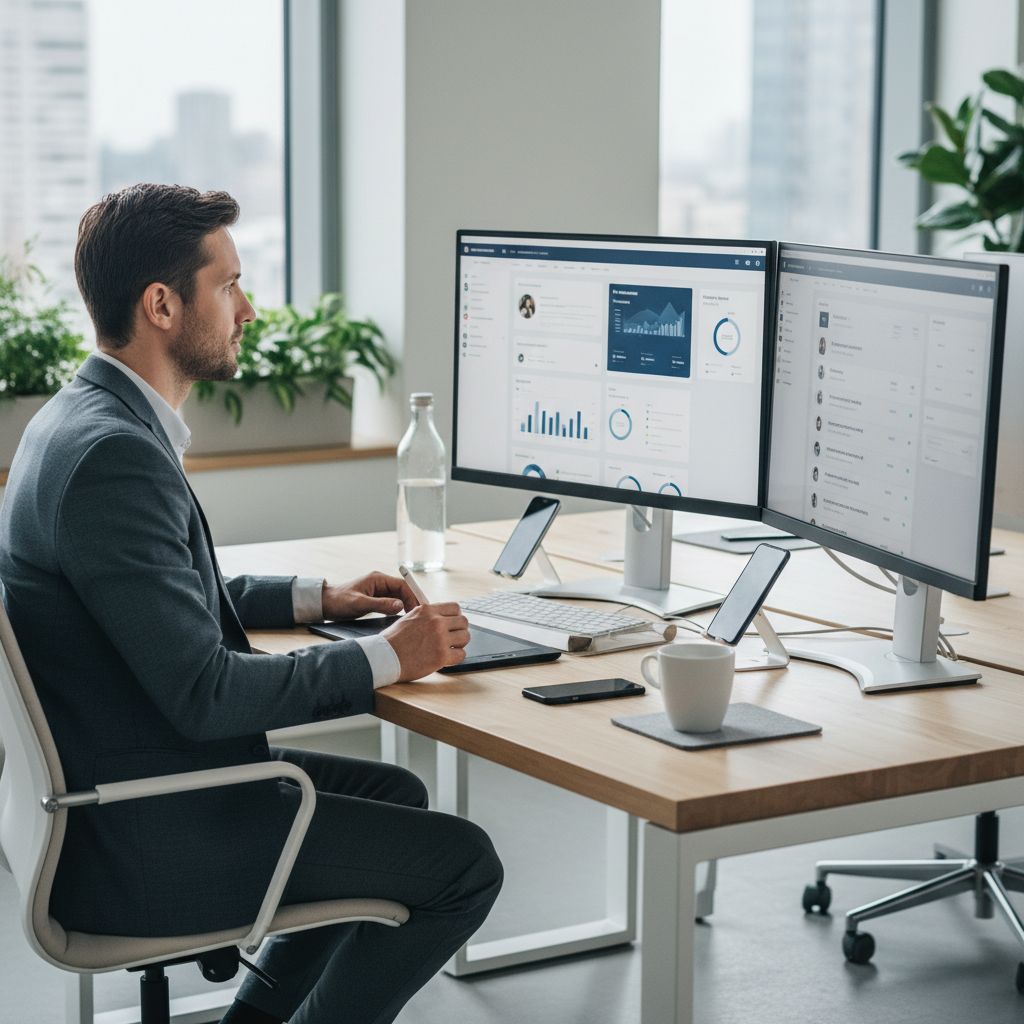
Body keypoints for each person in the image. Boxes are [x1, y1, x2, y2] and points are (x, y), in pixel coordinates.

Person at [0, 184, 503, 1024]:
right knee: (464, 866)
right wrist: (390, 657)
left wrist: (317, 599)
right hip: (150, 836)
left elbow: (158, 599)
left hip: (120, 797)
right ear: (161, 304)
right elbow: (205, 695)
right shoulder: (113, 459)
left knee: (399, 801)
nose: (249, 308)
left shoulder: (80, 422)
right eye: (229, 284)